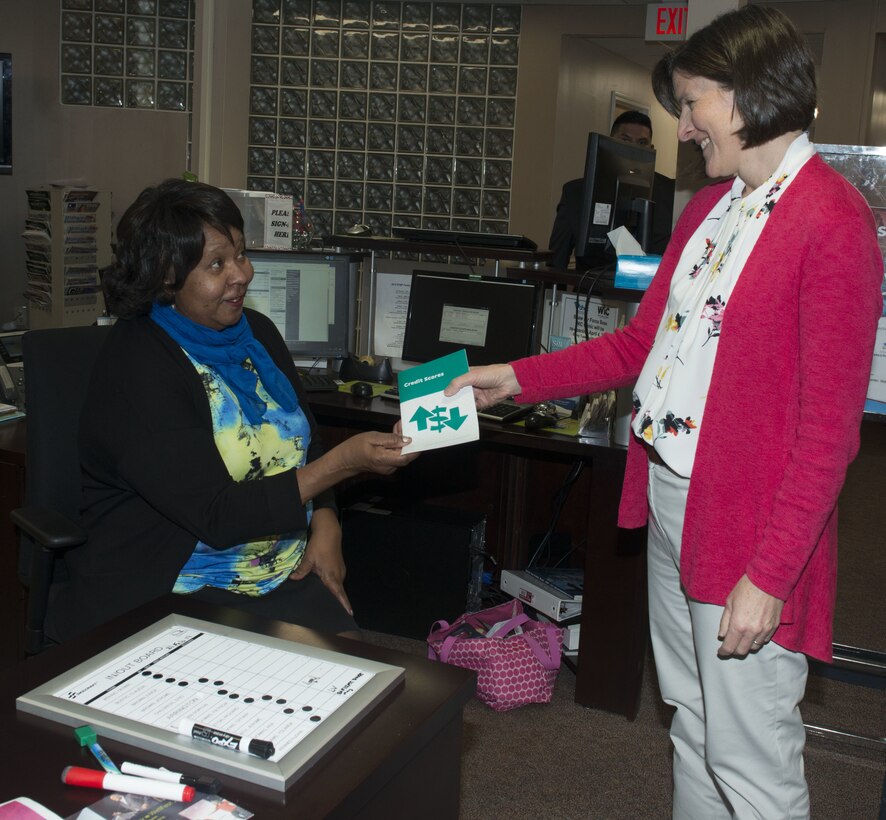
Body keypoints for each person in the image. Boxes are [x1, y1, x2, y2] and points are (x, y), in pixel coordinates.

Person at [447, 7, 882, 819]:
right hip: (680, 502)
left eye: (693, 104)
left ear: (749, 95)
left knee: (751, 756)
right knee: (691, 723)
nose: (682, 129)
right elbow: (639, 346)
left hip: (752, 526)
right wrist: (515, 377)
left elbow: (828, 436)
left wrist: (770, 574)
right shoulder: (711, 211)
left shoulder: (831, 221)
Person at [48, 179, 417, 642]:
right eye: (216, 264)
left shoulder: (255, 333)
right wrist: (344, 466)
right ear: (166, 276)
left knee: (361, 681)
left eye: (240, 254)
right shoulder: (138, 367)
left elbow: (307, 442)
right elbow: (218, 515)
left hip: (278, 570)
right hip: (175, 585)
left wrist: (326, 522)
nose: (241, 274)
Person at [547, 110, 674, 269]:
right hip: (593, 289)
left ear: (652, 148)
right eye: (625, 140)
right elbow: (557, 258)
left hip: (649, 289)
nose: (633, 149)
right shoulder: (576, 192)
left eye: (642, 143)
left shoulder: (670, 193)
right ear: (611, 142)